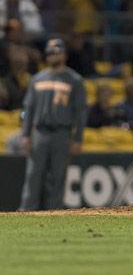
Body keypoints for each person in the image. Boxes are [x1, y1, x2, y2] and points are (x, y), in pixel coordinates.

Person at [19, 38, 87, 211]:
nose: (52, 56)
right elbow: (29, 109)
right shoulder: (37, 79)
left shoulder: (75, 80)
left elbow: (80, 113)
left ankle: (54, 214)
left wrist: (77, 138)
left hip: (62, 134)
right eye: (49, 53)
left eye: (56, 52)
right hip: (40, 133)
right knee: (33, 176)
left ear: (64, 54)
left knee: (58, 178)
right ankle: (26, 212)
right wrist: (26, 134)